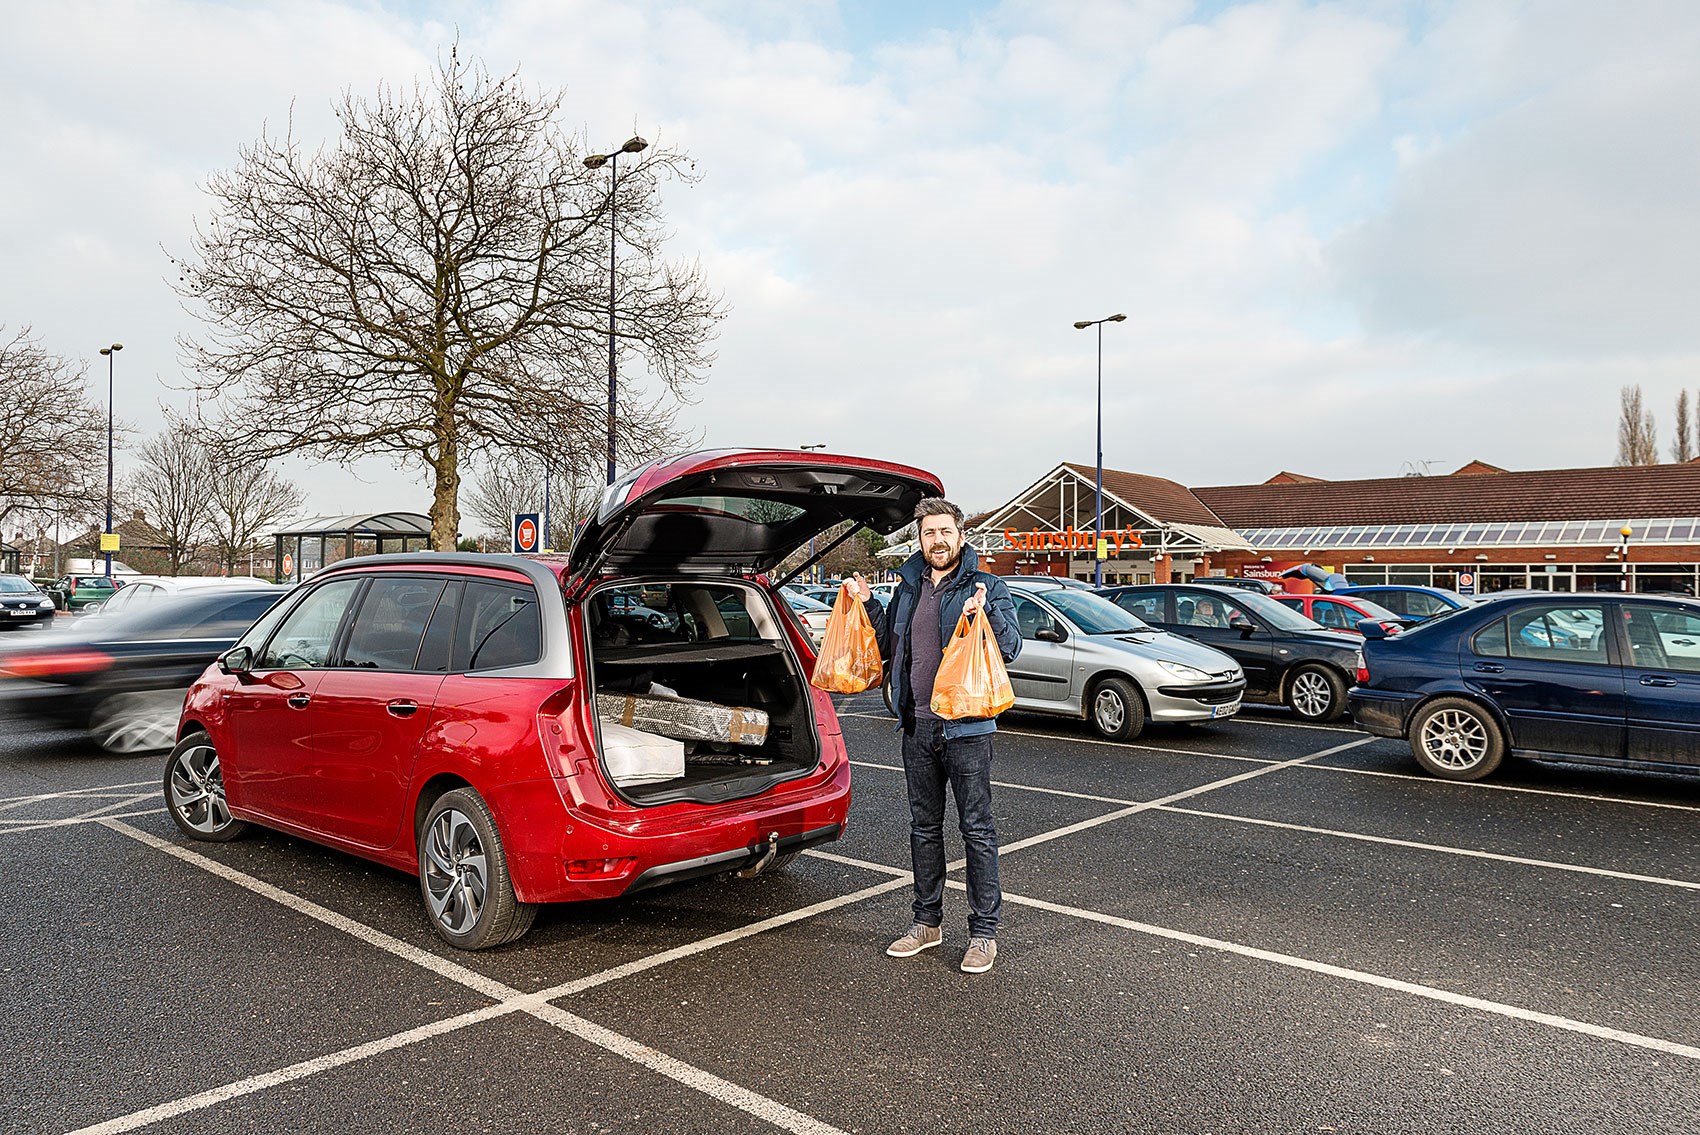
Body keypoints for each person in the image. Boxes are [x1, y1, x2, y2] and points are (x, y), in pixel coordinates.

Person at [847, 498, 1019, 974]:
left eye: (945, 531)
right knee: (923, 829)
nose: (937, 540)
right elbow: (889, 647)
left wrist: (986, 615)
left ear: (960, 534)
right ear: (919, 539)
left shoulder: (986, 585)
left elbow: (1011, 648)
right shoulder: (908, 588)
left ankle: (983, 933)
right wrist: (868, 606)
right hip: (917, 727)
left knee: (977, 830)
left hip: (966, 730)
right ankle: (927, 923)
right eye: (928, 533)